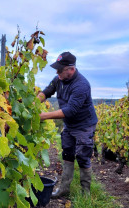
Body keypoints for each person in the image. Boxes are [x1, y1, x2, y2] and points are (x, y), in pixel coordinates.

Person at [37, 51, 98, 198]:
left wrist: (42, 116)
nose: (57, 72)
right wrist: (32, 104)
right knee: (67, 154)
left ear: (71, 69)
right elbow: (46, 92)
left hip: (84, 124)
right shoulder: (58, 79)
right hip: (70, 125)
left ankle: (85, 194)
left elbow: (70, 110)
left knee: (83, 156)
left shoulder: (81, 85)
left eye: (60, 69)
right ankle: (63, 189)